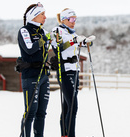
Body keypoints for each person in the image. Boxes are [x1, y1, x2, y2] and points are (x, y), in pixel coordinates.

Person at [50, 8, 94, 137]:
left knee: (67, 105)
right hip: (65, 70)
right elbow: (58, 48)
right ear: (64, 19)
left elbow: (76, 44)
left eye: (75, 19)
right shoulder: (57, 31)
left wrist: (85, 42)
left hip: (74, 70)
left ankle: (65, 134)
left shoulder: (71, 32)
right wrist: (74, 41)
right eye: (71, 19)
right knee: (73, 105)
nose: (74, 21)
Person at [17, 2, 51, 137]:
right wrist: (43, 40)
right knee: (31, 111)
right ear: (34, 16)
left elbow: (58, 47)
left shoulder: (43, 31)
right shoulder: (24, 30)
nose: (45, 17)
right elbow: (30, 49)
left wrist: (77, 42)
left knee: (41, 112)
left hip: (43, 75)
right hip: (30, 75)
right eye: (42, 14)